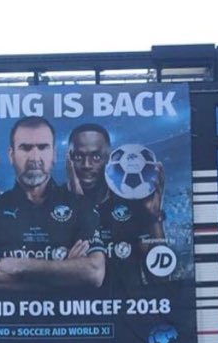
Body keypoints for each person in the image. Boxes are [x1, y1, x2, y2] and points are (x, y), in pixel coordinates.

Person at [0, 116, 106, 290]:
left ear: (54, 154)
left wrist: (23, 265)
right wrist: (66, 272)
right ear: (11, 155)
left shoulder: (81, 207)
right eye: (25, 148)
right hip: (11, 317)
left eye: (42, 147)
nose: (34, 157)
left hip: (65, 318)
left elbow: (94, 273)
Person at [64, 123, 166, 291]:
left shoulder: (132, 203)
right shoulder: (52, 202)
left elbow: (160, 278)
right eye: (78, 157)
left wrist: (153, 219)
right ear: (69, 159)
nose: (87, 165)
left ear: (109, 159)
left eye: (96, 157)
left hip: (126, 314)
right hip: (76, 314)